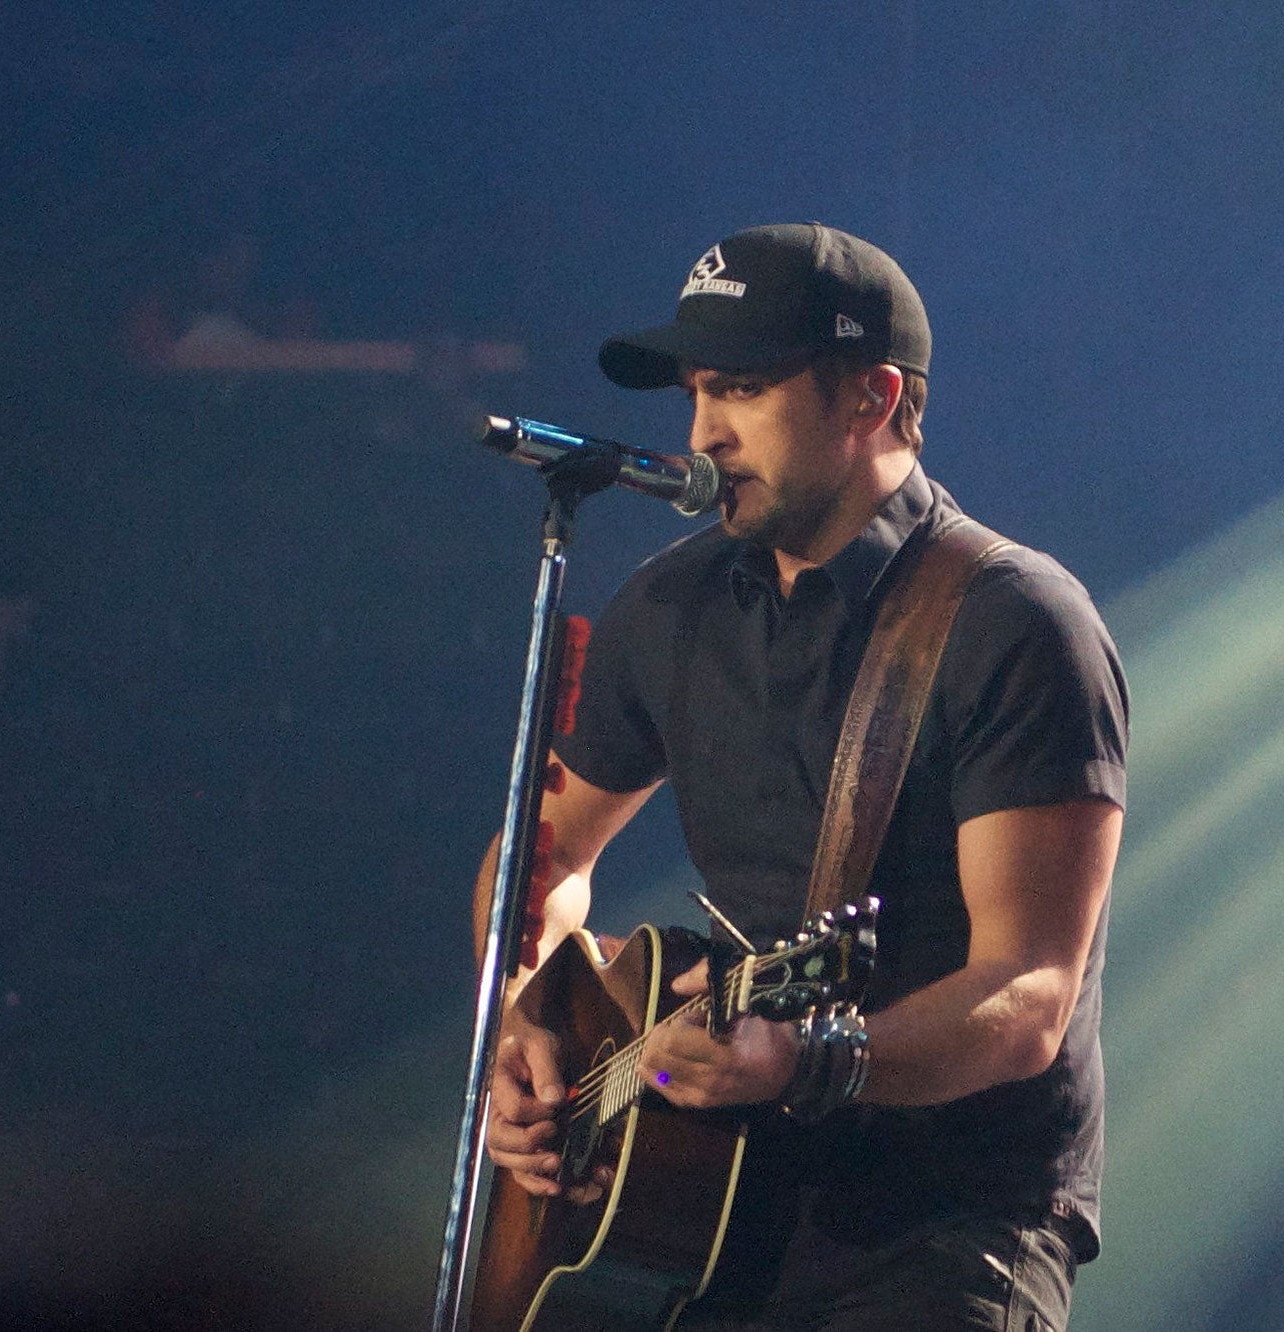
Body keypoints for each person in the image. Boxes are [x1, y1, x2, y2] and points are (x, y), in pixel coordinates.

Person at [481, 222, 1128, 1331]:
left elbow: (1027, 995)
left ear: (872, 397)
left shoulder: (1014, 625)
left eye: (740, 388)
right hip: (704, 1211)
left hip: (943, 1224)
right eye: (695, 392)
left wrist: (813, 1061)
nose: (702, 432)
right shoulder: (669, 606)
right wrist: (521, 1017)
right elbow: (543, 855)